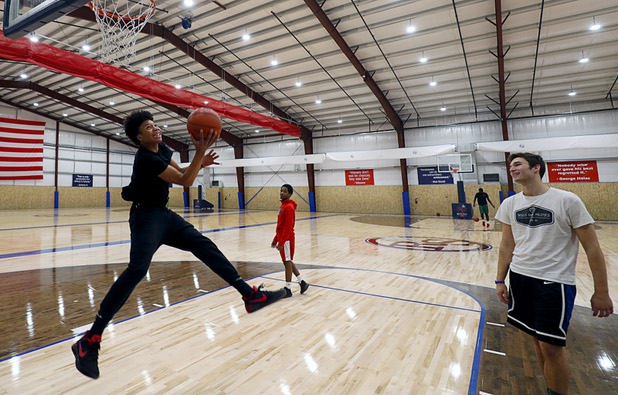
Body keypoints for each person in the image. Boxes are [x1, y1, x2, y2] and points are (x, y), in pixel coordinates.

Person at [72, 110, 286, 379]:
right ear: (139, 137)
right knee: (137, 270)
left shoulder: (162, 147)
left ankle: (250, 295)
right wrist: (198, 153)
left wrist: (200, 160)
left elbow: (179, 171)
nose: (156, 129)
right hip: (145, 217)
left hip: (163, 214)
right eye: (149, 128)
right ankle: (90, 339)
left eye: (155, 125)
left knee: (204, 245)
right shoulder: (146, 159)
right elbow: (185, 182)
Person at [494, 152, 613, 395]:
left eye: (517, 164)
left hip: (554, 283)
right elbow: (507, 245)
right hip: (520, 279)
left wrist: (601, 292)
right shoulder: (510, 204)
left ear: (536, 168)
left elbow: (593, 248)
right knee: (538, 341)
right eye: (510, 165)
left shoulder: (567, 200)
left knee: (551, 346)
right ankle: (551, 388)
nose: (512, 169)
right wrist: (499, 280)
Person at [271, 184, 309, 297]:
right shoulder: (283, 206)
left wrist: (281, 242)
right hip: (283, 237)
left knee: (287, 262)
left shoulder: (289, 207)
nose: (282, 193)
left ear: (290, 194)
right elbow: (280, 226)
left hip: (287, 239)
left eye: (285, 191)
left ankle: (288, 289)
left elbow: (288, 227)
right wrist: (275, 239)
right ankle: (302, 282)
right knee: (287, 261)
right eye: (281, 190)